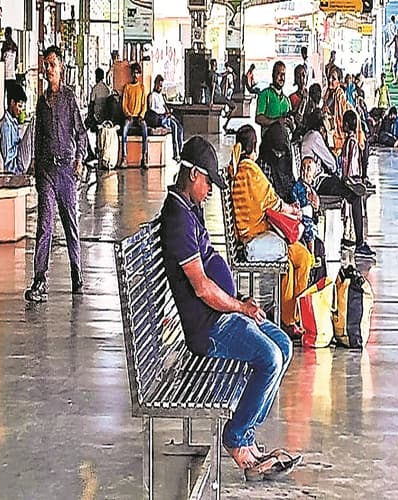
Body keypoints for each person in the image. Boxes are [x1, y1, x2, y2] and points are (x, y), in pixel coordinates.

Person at [160, 135, 299, 479]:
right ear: (193, 174)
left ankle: (247, 433)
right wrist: (240, 307)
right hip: (210, 326)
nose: (210, 190)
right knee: (269, 357)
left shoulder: (189, 208)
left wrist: (238, 307)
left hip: (224, 316)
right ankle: (237, 439)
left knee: (283, 345)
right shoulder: (177, 219)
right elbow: (202, 287)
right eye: (208, 182)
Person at [228, 125, 313, 336]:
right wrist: (293, 210)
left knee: (302, 258)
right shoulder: (250, 171)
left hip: (262, 234)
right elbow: (271, 202)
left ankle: (291, 315)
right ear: (254, 147)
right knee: (297, 261)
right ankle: (289, 319)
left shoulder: (240, 168)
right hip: (257, 238)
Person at [24, 45, 87, 302]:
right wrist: (36, 167)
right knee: (44, 226)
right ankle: (39, 279)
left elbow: (80, 133)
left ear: (61, 67)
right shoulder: (41, 102)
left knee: (70, 224)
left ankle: (76, 272)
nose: (48, 69)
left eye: (52, 64)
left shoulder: (69, 99)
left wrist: (80, 159)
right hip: (47, 172)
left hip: (66, 171)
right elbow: (38, 137)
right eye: (46, 65)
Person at [301, 109, 374, 257]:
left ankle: (348, 185)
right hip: (318, 182)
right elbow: (332, 163)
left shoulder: (308, 136)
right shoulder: (315, 136)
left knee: (348, 189)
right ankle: (360, 244)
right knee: (355, 196)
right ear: (321, 125)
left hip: (315, 181)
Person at [0, 84, 33, 174]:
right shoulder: (6, 124)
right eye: (19, 106)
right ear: (12, 103)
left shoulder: (13, 122)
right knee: (34, 122)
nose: (21, 110)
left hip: (20, 160)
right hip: (15, 166)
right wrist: (20, 145)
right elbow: (7, 156)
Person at [148, 74, 184, 161]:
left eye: (161, 86)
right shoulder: (152, 96)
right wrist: (164, 113)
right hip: (159, 117)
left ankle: (181, 150)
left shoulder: (160, 95)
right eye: (159, 85)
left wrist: (168, 112)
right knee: (174, 126)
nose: (160, 88)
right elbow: (152, 109)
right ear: (155, 84)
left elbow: (164, 105)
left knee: (180, 127)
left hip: (165, 115)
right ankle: (176, 153)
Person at [120, 62, 148, 168]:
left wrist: (141, 115)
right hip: (130, 117)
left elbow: (144, 105)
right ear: (131, 74)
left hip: (139, 117)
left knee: (145, 129)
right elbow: (124, 105)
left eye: (137, 73)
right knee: (124, 130)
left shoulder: (142, 87)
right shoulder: (127, 87)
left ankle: (144, 157)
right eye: (134, 73)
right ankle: (124, 158)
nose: (135, 75)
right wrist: (128, 115)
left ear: (139, 74)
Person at [291, 157, 320, 258]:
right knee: (309, 229)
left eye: (309, 169)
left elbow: (316, 207)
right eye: (303, 168)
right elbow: (295, 200)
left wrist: (316, 206)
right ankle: (311, 255)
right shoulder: (297, 186)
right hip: (302, 215)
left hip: (311, 216)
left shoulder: (312, 188)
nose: (305, 171)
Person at [256, 61, 292, 135]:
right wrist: (277, 121)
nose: (282, 77)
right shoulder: (264, 94)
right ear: (273, 75)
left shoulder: (286, 100)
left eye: (283, 74)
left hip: (285, 139)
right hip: (269, 139)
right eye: (279, 73)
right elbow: (259, 118)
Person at [208, 59, 236, 131]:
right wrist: (211, 100)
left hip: (217, 96)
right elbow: (213, 87)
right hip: (217, 97)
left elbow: (221, 75)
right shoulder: (214, 75)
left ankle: (226, 116)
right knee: (234, 106)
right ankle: (226, 123)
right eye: (215, 65)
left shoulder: (211, 73)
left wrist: (228, 72)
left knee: (230, 104)